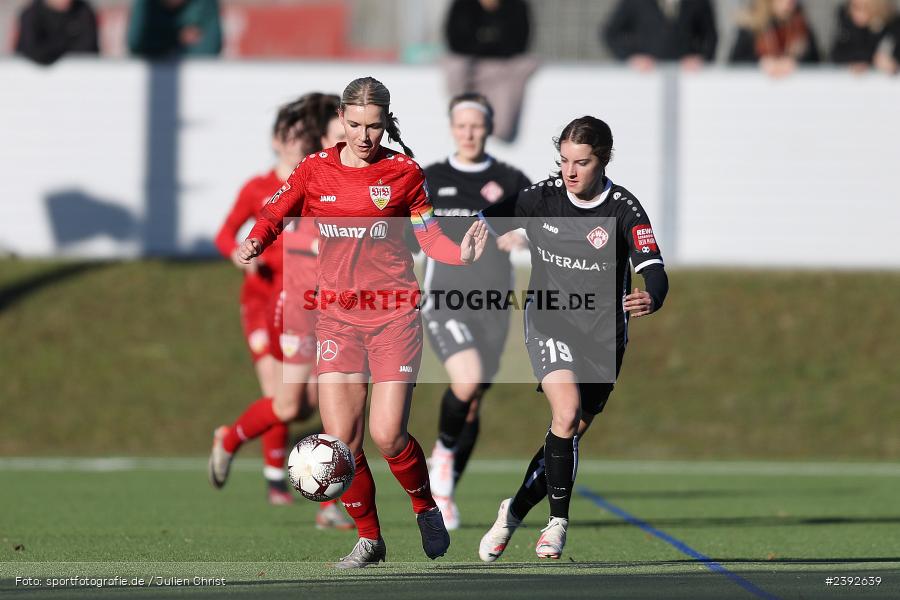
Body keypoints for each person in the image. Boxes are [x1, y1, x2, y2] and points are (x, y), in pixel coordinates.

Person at [216, 77, 489, 568]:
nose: (366, 136)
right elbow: (274, 211)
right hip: (337, 318)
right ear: (341, 120)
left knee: (388, 435)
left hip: (394, 316)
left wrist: (460, 253)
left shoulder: (404, 172)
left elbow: (429, 238)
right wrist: (255, 241)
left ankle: (424, 505)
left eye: (376, 126)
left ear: (387, 122)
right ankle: (370, 539)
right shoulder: (315, 170)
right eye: (357, 124)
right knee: (341, 441)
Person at [476, 116, 669, 561]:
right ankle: (557, 523)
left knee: (567, 435)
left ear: (603, 161)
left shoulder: (624, 209)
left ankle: (513, 511)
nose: (570, 171)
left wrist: (652, 298)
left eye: (581, 162)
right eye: (564, 160)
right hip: (549, 321)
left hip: (603, 338)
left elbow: (653, 268)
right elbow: (488, 219)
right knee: (565, 414)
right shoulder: (543, 197)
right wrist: (472, 234)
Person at [212, 93, 353, 529]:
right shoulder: (287, 183)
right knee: (289, 404)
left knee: (324, 404)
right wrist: (244, 253)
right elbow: (231, 233)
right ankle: (246, 450)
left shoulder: (346, 176)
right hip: (278, 301)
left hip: (332, 304)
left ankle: (332, 503)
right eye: (337, 134)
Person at [420, 93, 530, 531]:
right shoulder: (429, 178)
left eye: (477, 126)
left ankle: (443, 489)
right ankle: (442, 464)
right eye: (462, 125)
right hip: (444, 298)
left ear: (489, 128)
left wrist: (523, 235)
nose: (469, 133)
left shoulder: (509, 178)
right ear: (451, 127)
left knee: (473, 400)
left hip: (492, 305)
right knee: (464, 381)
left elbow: (541, 222)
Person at [442, 0, 537, 141]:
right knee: (455, 67)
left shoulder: (516, 6)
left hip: (504, 65)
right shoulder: (463, 5)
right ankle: (463, 115)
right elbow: (456, 40)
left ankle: (500, 126)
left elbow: (519, 42)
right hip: (471, 65)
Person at [603, 0, 718, 72]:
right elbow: (610, 33)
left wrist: (702, 59)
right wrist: (631, 57)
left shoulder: (699, 2)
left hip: (687, 76)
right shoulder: (634, 2)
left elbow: (711, 36)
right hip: (645, 75)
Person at [728, 0, 821, 78]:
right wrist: (761, 63)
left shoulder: (800, 24)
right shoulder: (751, 24)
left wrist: (795, 63)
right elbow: (735, 62)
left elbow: (816, 60)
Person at [15, 0, 98, 66]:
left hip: (78, 78)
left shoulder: (83, 11)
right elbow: (31, 51)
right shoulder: (31, 15)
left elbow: (88, 49)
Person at [127, 0, 222, 58]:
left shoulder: (205, 4)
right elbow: (136, 44)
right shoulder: (145, 4)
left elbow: (211, 49)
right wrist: (176, 38)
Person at [831, 0, 899, 74]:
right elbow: (837, 54)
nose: (856, 12)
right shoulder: (847, 20)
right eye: (854, 6)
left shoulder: (893, 24)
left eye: (865, 7)